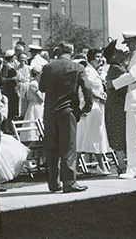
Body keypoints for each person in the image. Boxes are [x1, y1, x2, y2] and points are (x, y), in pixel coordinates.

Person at [39, 42, 92, 193]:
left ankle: (53, 183)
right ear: (72, 52)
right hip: (67, 111)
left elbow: (42, 87)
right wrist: (86, 106)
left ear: (59, 51)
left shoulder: (48, 67)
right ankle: (69, 182)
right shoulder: (78, 67)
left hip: (49, 112)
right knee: (68, 148)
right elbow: (87, 88)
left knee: (52, 149)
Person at [106, 31, 136, 179]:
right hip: (132, 101)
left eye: (130, 43)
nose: (128, 46)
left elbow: (133, 75)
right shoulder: (134, 55)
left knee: (134, 137)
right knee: (132, 137)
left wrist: (113, 83)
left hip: (135, 100)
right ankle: (134, 168)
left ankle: (134, 169)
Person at [76, 49, 110, 175]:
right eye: (97, 57)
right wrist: (100, 97)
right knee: (95, 135)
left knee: (84, 137)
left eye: (101, 57)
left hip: (94, 106)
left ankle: (73, 167)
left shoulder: (93, 71)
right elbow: (88, 88)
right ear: (90, 59)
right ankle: (101, 166)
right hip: (92, 107)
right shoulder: (89, 71)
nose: (100, 59)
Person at [103, 40, 128, 174]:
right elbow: (123, 88)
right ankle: (122, 165)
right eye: (117, 51)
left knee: (119, 135)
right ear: (113, 56)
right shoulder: (117, 69)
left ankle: (122, 164)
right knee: (119, 135)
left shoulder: (116, 68)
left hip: (116, 106)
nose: (120, 52)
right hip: (117, 107)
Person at [0, 49, 18, 127]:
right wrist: (13, 78)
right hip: (9, 89)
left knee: (13, 107)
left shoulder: (12, 65)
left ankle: (11, 125)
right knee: (9, 107)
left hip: (13, 88)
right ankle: (7, 126)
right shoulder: (6, 66)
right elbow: (3, 79)